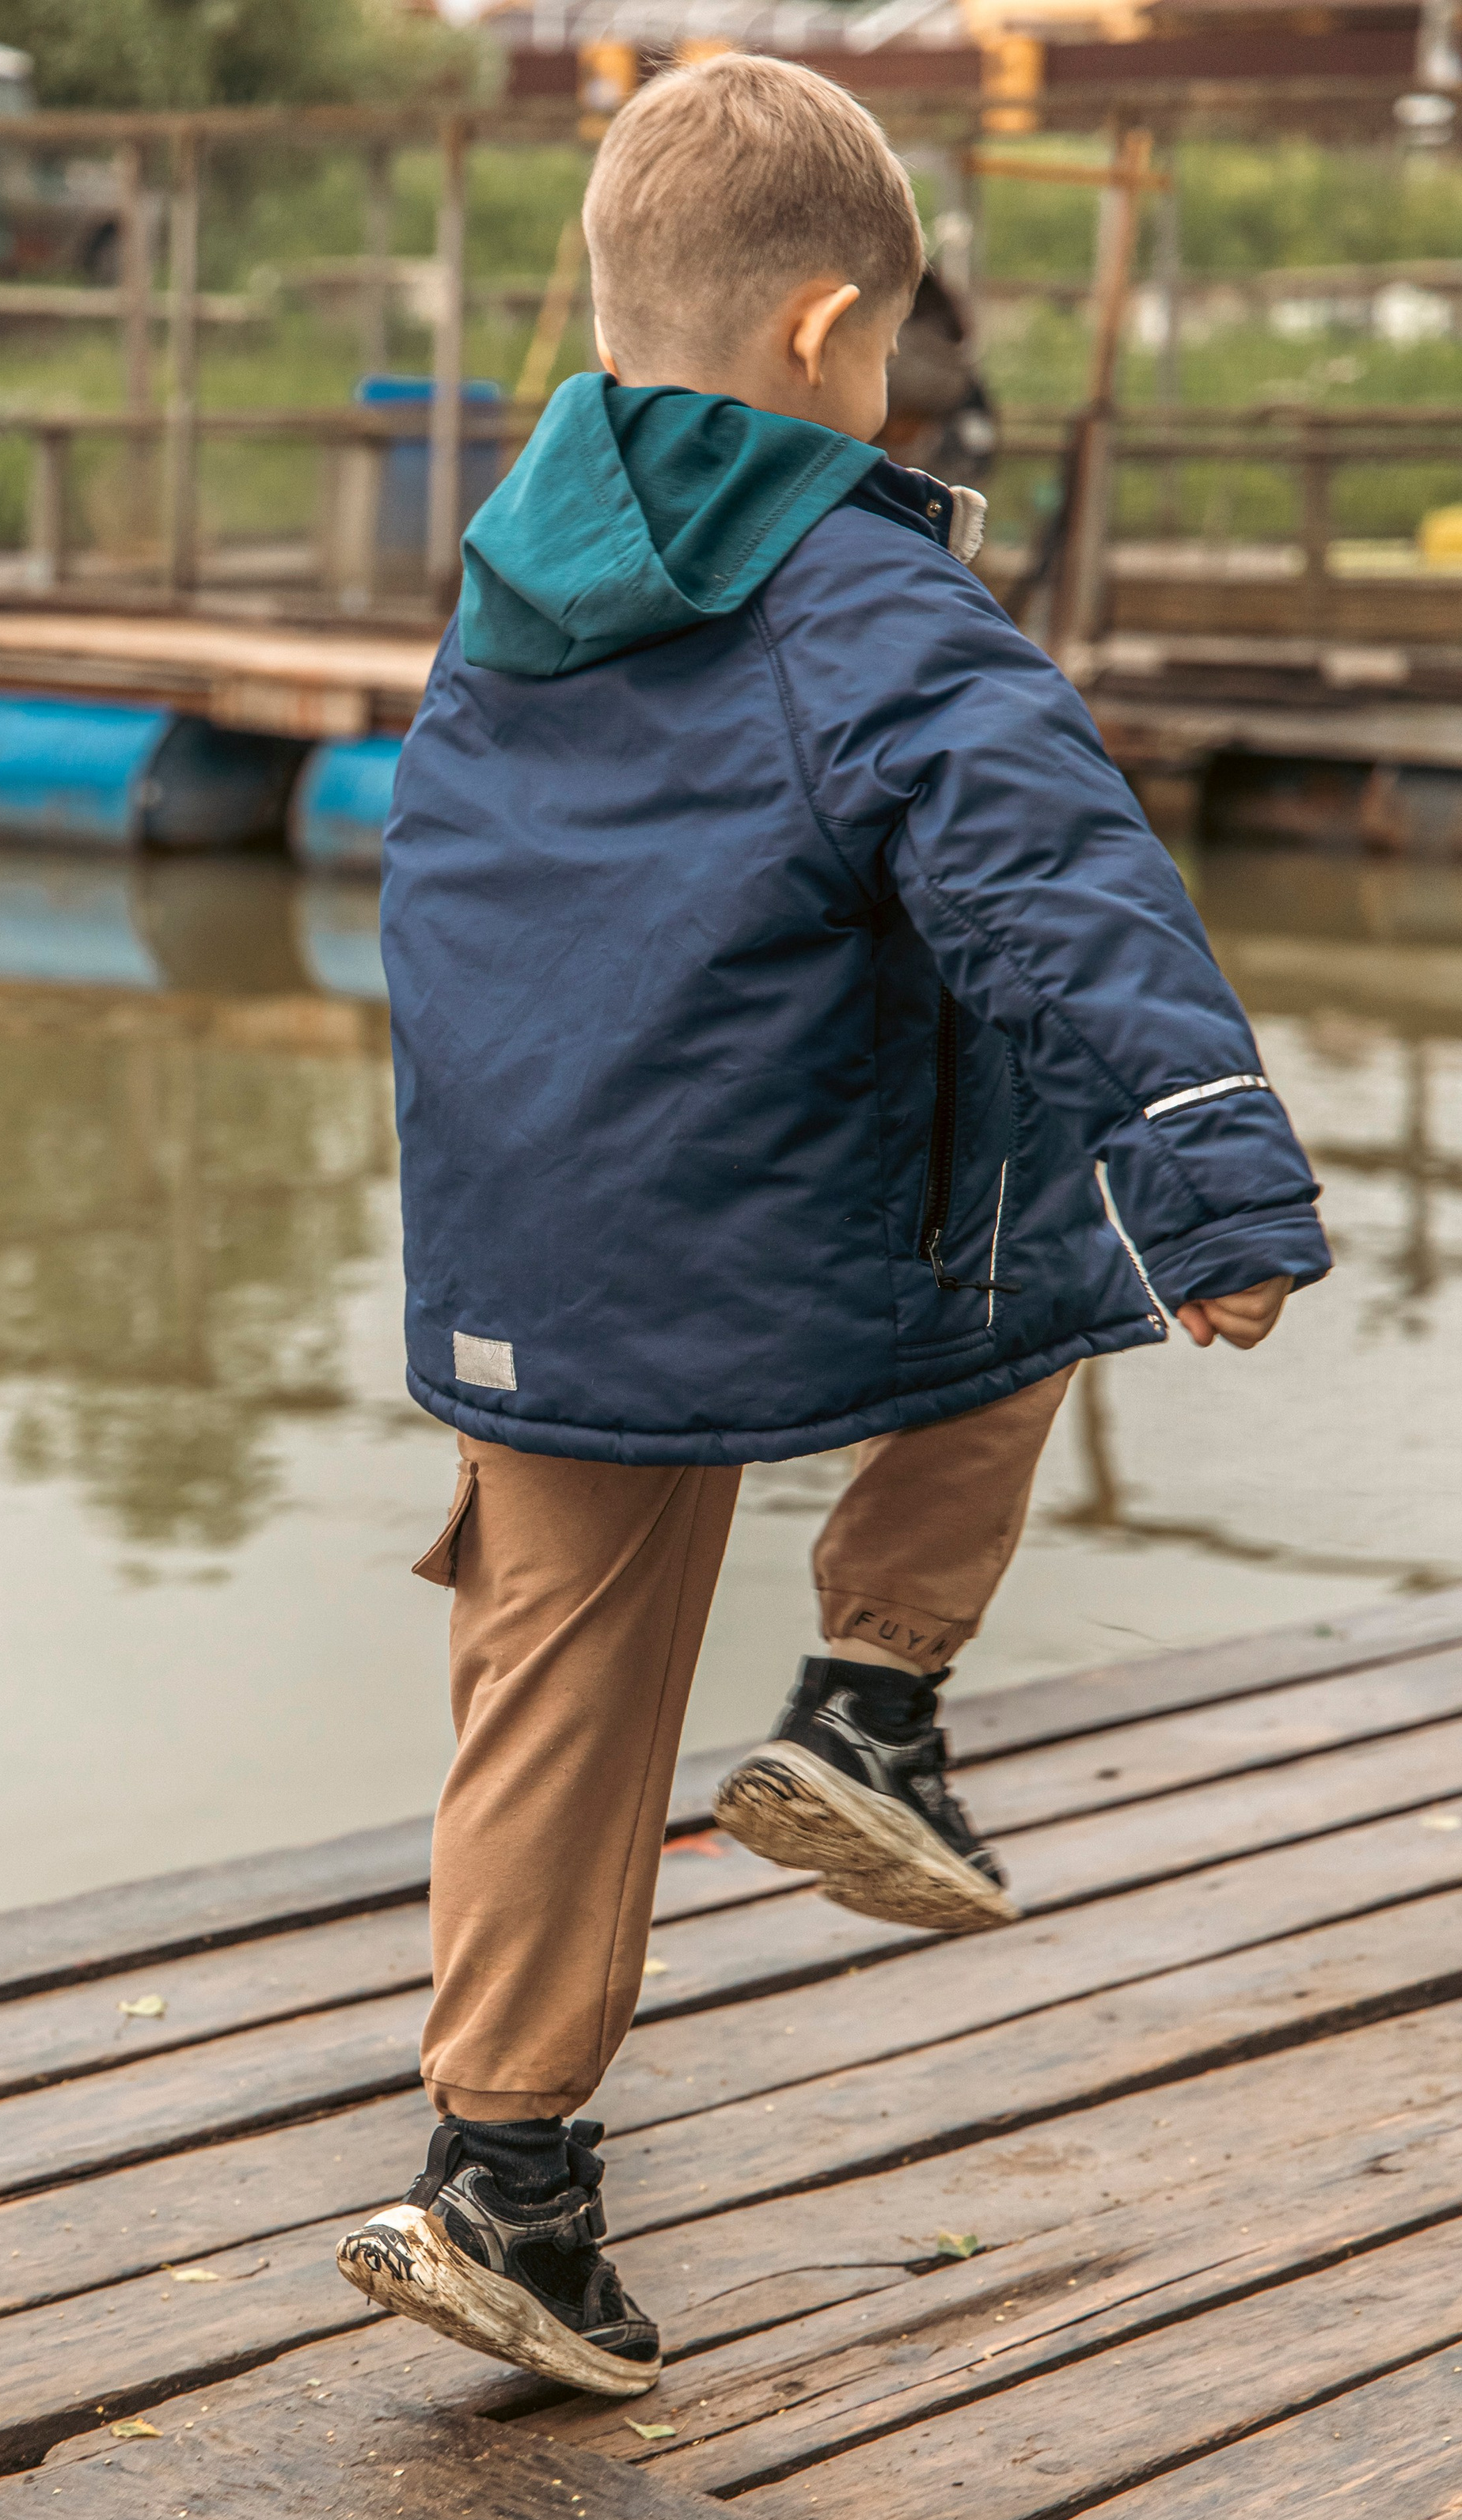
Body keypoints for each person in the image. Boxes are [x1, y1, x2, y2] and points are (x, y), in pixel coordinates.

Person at [334, 54, 1330, 2399]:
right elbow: (1060, 884)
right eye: (890, 340)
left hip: (530, 1237)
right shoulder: (866, 593)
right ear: (820, 337)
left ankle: (504, 2181)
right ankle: (876, 1700)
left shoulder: (506, 586)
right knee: (1057, 1197)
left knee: (552, 1668)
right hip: (786, 1215)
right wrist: (1215, 1181)